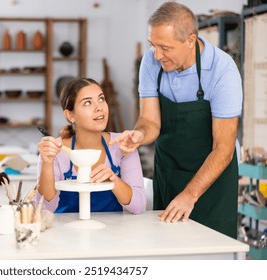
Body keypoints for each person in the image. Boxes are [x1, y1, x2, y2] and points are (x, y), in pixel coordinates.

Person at [110, 2, 242, 238]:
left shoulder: (222, 70)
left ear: (190, 40)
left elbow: (223, 149)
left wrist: (190, 195)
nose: (157, 55)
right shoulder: (151, 62)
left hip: (212, 181)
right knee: (167, 247)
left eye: (165, 47)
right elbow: (150, 121)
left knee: (211, 252)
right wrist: (140, 134)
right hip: (168, 171)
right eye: (153, 45)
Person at [36, 78, 146, 214]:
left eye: (101, 99)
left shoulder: (123, 144)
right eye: (88, 102)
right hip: (65, 232)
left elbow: (138, 206)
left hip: (112, 231)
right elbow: (44, 209)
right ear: (70, 115)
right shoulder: (54, 152)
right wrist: (47, 163)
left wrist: (114, 180)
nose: (99, 107)